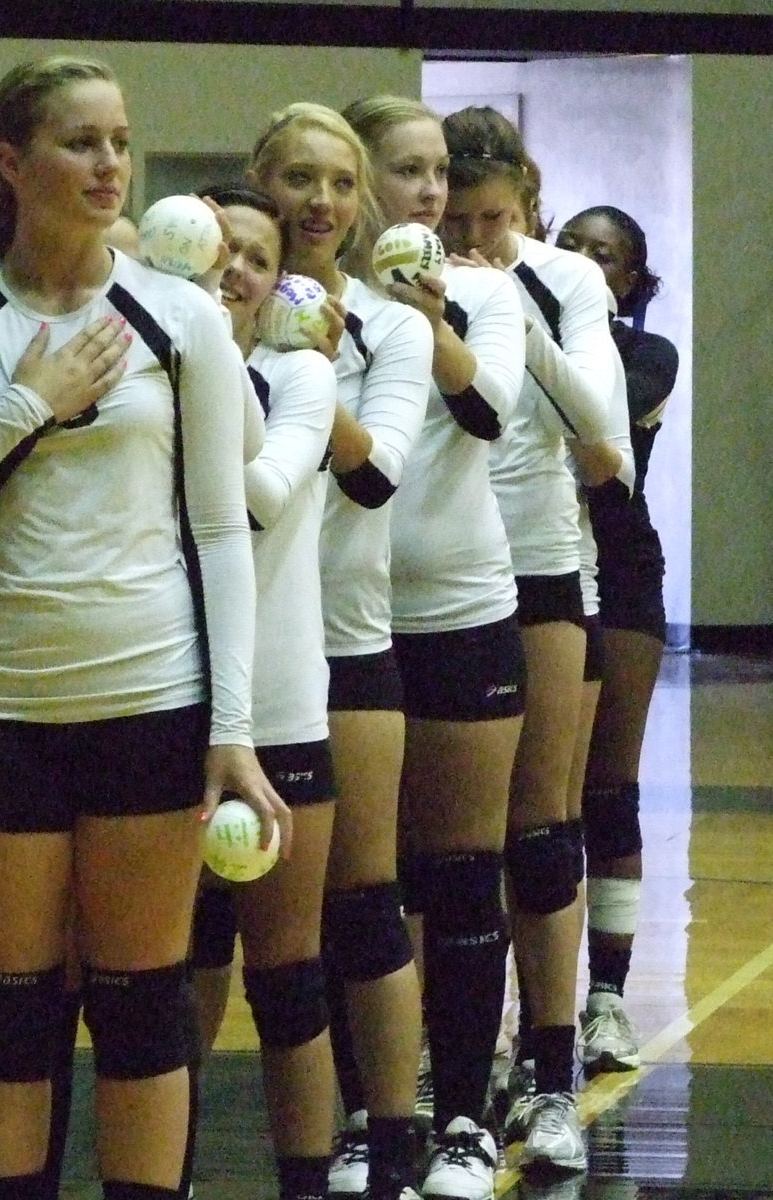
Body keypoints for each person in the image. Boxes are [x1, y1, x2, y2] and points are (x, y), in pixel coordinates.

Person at [0, 56, 290, 1200]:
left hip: (149, 700)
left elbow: (221, 528)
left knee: (144, 1010)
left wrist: (231, 729)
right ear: (10, 161)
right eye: (81, 142)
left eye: (121, 141)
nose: (111, 165)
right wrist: (24, 408)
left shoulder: (179, 315)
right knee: (8, 1015)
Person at [335, 96, 526, 1200]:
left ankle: (462, 1118)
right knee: (367, 887)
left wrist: (435, 319)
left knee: (461, 874)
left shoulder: (486, 292)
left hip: (461, 609)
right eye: (406, 170)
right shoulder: (321, 302)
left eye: (438, 171)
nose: (430, 190)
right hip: (349, 624)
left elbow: (490, 409)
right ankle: (374, 1117)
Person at [248, 101, 434, 1200]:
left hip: (350, 645)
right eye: (298, 178)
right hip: (227, 656)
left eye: (340, 183)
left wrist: (310, 369)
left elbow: (375, 477)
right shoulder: (214, 312)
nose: (320, 202)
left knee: (365, 905)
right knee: (210, 933)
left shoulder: (388, 328)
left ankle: (392, 1140)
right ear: (260, 183)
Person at [439, 105, 616, 1175]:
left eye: (494, 218)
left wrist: (513, 304)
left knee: (542, 827)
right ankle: (450, 1069)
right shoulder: (407, 282)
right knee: (440, 852)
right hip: (433, 576)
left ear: (528, 207)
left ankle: (553, 1079)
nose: (472, 238)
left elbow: (603, 439)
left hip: (541, 561)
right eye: (455, 219)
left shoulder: (565, 279)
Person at [186, 182, 339, 1200]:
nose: (234, 271)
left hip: (277, 708)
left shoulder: (300, 376)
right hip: (164, 703)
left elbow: (261, 498)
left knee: (286, 978)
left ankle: (307, 1186)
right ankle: (167, 1174)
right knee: (165, 977)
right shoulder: (146, 372)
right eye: (219, 252)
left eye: (256, 258)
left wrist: (210, 369)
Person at [555, 207, 679, 1075]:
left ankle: (606, 1001)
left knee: (609, 789)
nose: (585, 261)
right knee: (533, 806)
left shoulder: (649, 354)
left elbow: (594, 417)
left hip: (623, 571)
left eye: (605, 255)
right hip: (536, 570)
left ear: (629, 280)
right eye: (571, 246)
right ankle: (506, 1022)